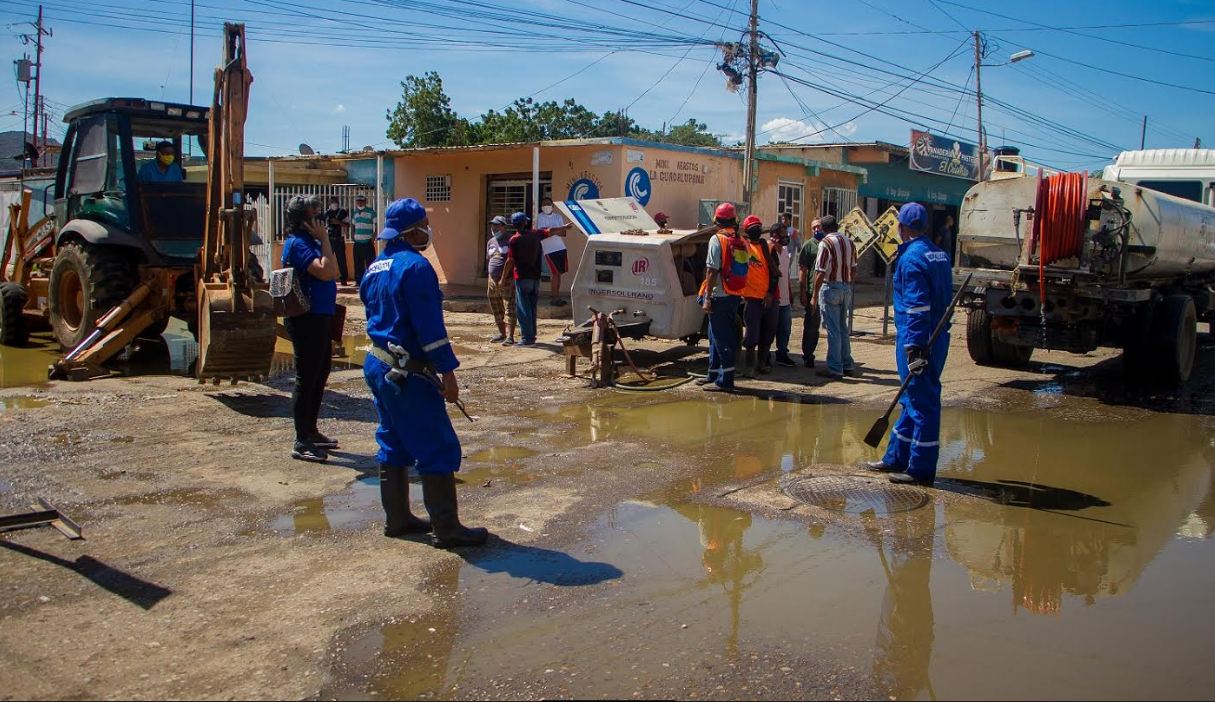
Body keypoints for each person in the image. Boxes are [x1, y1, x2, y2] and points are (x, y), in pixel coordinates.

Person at [361, 197, 489, 547]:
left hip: (377, 363)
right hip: (406, 371)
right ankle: (447, 529)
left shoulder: (375, 266)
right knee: (436, 445)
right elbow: (430, 330)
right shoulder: (416, 268)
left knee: (393, 439)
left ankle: (398, 519)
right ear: (413, 231)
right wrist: (448, 373)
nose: (427, 232)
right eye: (424, 226)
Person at [865, 202, 953, 486]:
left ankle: (920, 469)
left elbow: (917, 307)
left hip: (918, 338)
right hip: (936, 337)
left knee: (923, 403)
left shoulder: (912, 259)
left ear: (901, 227)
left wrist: (914, 348)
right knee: (910, 398)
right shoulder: (939, 255)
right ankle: (896, 457)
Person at [280, 195, 340, 463]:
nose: (320, 221)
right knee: (307, 378)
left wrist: (324, 241)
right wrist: (325, 240)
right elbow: (325, 273)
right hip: (306, 318)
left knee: (319, 373)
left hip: (320, 316)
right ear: (304, 221)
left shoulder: (312, 243)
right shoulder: (299, 245)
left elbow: (335, 270)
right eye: (315, 217)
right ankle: (301, 439)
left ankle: (311, 431)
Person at [695, 202, 748, 393]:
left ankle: (726, 380)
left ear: (716, 220)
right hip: (734, 294)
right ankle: (713, 372)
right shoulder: (741, 240)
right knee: (713, 334)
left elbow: (711, 270)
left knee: (721, 337)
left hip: (719, 295)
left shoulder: (717, 240)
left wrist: (707, 297)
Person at [810, 214, 859, 380]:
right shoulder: (849, 242)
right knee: (842, 328)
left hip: (831, 287)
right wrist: (848, 284)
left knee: (833, 330)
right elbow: (854, 268)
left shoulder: (826, 243)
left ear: (823, 228)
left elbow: (820, 271)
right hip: (845, 287)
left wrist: (814, 295)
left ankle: (835, 368)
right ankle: (847, 364)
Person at [501, 212, 553, 347]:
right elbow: (550, 231)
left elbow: (510, 260)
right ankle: (532, 336)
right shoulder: (535, 234)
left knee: (523, 309)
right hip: (535, 277)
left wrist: (503, 278)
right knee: (532, 308)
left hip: (522, 278)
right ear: (525, 223)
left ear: (514, 225)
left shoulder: (514, 239)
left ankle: (527, 339)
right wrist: (564, 227)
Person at [739, 215, 779, 377]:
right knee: (751, 335)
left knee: (768, 333)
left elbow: (775, 274)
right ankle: (749, 367)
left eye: (758, 227)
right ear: (747, 231)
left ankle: (761, 364)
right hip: (750, 298)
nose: (756, 230)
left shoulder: (768, 248)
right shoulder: (742, 247)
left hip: (768, 298)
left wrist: (770, 293)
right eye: (752, 228)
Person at [797, 218, 825, 368]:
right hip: (810, 291)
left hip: (827, 290)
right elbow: (803, 269)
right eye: (813, 227)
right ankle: (808, 355)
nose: (816, 230)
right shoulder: (808, 246)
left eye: (818, 227)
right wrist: (802, 292)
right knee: (811, 325)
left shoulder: (828, 244)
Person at [535, 197, 572, 306]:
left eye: (548, 204)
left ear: (552, 206)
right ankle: (554, 297)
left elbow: (564, 233)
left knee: (559, 274)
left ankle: (557, 296)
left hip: (560, 248)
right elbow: (541, 234)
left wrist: (551, 231)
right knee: (554, 274)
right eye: (544, 204)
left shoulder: (558, 217)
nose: (546, 206)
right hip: (549, 250)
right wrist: (557, 229)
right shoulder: (539, 217)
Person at [485, 215, 516, 345]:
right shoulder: (491, 241)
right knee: (496, 305)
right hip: (492, 279)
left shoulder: (511, 240)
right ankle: (501, 333)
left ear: (504, 226)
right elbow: (490, 259)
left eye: (497, 225)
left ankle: (510, 336)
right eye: (493, 225)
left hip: (507, 279)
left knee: (509, 307)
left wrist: (504, 277)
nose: (494, 227)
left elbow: (512, 260)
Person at [770, 224, 796, 367]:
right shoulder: (769, 249)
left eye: (787, 234)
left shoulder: (785, 251)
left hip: (785, 298)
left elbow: (785, 275)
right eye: (782, 235)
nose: (786, 238)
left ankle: (782, 354)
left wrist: (790, 293)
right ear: (774, 236)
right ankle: (765, 355)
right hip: (773, 297)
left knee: (785, 328)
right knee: (769, 329)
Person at [324, 196, 351, 286]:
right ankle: (326, 278)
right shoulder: (327, 213)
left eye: (335, 201)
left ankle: (344, 278)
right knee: (327, 260)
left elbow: (348, 225)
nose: (334, 203)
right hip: (329, 239)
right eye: (332, 202)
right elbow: (323, 225)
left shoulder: (342, 212)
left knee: (341, 260)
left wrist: (338, 222)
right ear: (329, 203)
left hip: (339, 239)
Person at [351, 194, 377, 284]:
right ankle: (359, 282)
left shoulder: (371, 212)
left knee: (370, 263)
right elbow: (353, 225)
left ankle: (371, 281)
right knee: (358, 264)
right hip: (357, 242)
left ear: (365, 202)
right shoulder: (354, 212)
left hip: (367, 242)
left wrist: (374, 235)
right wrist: (352, 235)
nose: (359, 202)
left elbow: (377, 224)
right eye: (358, 201)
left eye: (361, 201)